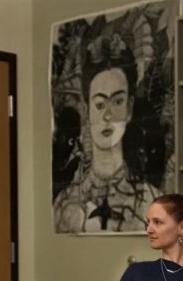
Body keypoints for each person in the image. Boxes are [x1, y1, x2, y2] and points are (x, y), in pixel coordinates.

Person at [54, 38, 161, 233]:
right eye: (100, 105)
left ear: (129, 109)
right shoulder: (64, 203)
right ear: (86, 111)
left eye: (117, 102)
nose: (108, 116)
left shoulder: (153, 201)